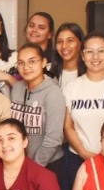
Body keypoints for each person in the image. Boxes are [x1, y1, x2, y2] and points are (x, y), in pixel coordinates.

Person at [62, 32, 104, 190]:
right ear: (82, 55)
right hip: (77, 159)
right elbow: (68, 126)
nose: (95, 57)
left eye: (101, 51)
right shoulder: (72, 87)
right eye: (89, 51)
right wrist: (84, 153)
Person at [10, 43, 65, 174]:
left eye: (32, 62)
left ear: (44, 62)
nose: (26, 67)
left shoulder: (53, 93)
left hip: (48, 165)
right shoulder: (17, 88)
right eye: (21, 63)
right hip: (19, 164)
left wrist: (34, 166)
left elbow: (54, 138)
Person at [51, 23, 85, 91]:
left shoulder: (90, 73)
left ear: (80, 43)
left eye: (70, 41)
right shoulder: (47, 71)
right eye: (59, 41)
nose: (64, 46)